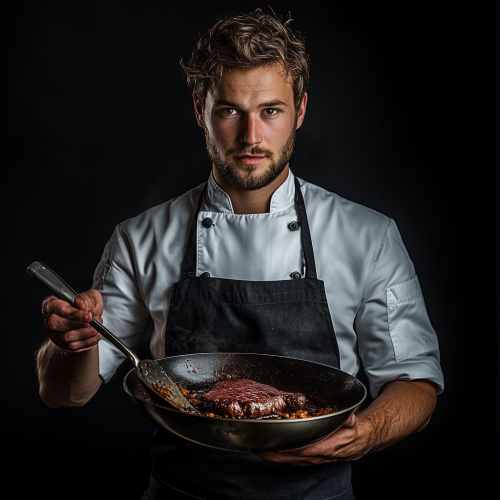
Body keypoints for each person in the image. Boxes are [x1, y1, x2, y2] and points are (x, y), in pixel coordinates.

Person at [36, 9, 444, 500]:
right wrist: (72, 346)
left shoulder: (368, 235)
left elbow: (415, 383)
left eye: (270, 110)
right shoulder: (140, 238)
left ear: (301, 110)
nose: (251, 137)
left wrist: (366, 433)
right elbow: (64, 393)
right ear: (199, 109)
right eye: (229, 110)